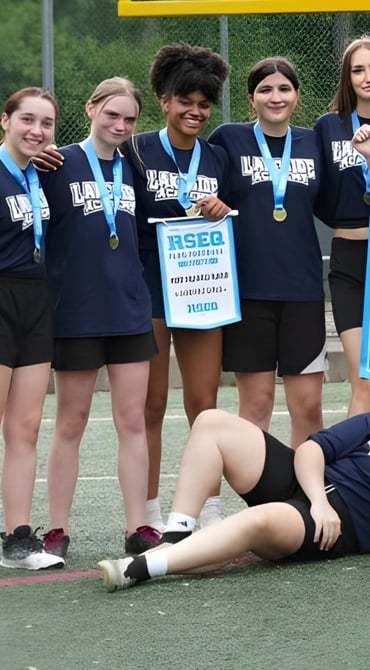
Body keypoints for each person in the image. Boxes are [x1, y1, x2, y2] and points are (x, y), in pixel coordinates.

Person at [97, 366, 370, 591]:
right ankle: (175, 537)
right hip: (312, 490)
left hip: (336, 528)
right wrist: (318, 499)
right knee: (212, 421)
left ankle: (140, 569)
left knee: (257, 520)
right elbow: (312, 450)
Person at [39, 77, 160, 557]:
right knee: (72, 421)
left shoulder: (135, 169)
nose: (120, 125)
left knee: (132, 419)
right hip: (76, 311)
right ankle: (57, 529)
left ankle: (137, 528)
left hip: (129, 309)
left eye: (129, 119)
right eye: (112, 114)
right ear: (91, 108)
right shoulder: (58, 162)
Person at [125, 42, 232, 531]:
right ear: (164, 101)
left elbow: (233, 215)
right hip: (147, 284)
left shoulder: (218, 156)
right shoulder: (136, 149)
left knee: (203, 405)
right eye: (184, 101)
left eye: (203, 103)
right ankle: (146, 513)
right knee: (150, 403)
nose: (194, 111)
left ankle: (205, 509)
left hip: (202, 286)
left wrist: (221, 209)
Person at [208, 57, 326, 448]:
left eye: (284, 89)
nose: (275, 97)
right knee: (255, 408)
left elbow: (338, 202)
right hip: (249, 292)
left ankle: (304, 499)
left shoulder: (314, 141)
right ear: (251, 98)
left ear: (297, 96)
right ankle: (259, 504)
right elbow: (202, 186)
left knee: (308, 408)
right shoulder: (229, 138)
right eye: (265, 90)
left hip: (303, 293)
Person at [314, 37, 370, 418]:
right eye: (357, 70)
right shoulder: (329, 126)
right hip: (350, 259)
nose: (368, 77)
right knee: (366, 381)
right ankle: (355, 474)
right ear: (347, 79)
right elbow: (317, 193)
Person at [0, 88, 64, 570]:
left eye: (45, 123)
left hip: (37, 300)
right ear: (5, 121)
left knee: (24, 427)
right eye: (27, 119)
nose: (36, 131)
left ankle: (17, 537)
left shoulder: (43, 175)